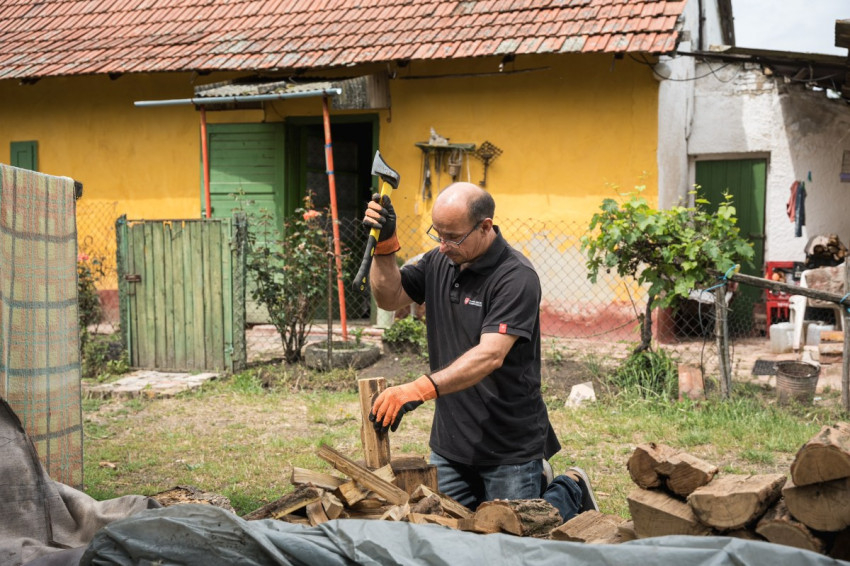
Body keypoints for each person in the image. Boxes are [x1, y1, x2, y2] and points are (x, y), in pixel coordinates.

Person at [362, 181, 598, 521]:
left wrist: (419, 389)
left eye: (453, 237)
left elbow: (491, 355)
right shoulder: (439, 261)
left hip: (509, 445)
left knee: (513, 534)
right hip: (451, 442)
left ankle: (569, 487)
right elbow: (389, 297)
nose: (443, 245)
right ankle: (539, 485)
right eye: (437, 234)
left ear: (485, 226)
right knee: (447, 526)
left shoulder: (516, 277)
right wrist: (385, 246)